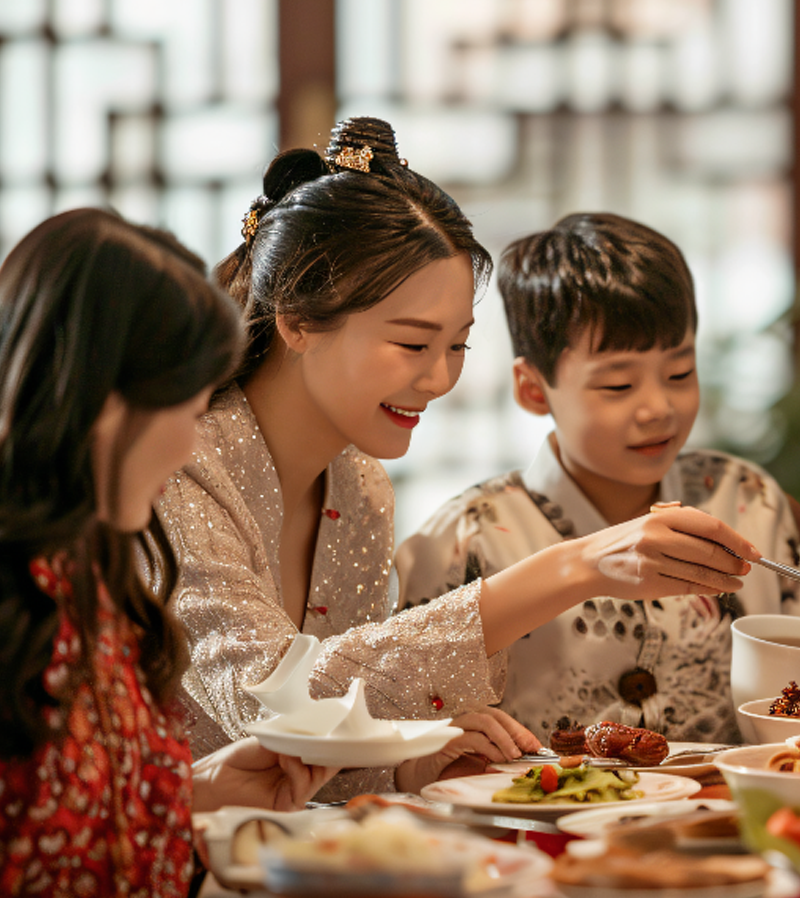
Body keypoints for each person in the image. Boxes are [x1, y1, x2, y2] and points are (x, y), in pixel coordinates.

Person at [157, 120, 762, 800]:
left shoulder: (360, 486)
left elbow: (321, 741)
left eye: (458, 347)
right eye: (414, 345)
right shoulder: (179, 462)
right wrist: (576, 566)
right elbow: (271, 704)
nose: (440, 379)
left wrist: (407, 764)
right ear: (298, 320)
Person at [0, 209, 336, 898]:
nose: (193, 442)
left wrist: (196, 792)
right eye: (186, 409)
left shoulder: (101, 581)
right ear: (99, 400)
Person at [395, 213, 800, 743]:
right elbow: (401, 713)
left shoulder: (743, 498)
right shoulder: (464, 538)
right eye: (617, 385)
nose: (658, 408)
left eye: (680, 373)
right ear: (533, 389)